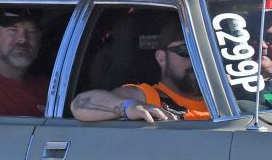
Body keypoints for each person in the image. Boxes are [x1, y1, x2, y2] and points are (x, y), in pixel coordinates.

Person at [71, 15, 211, 122]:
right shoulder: (150, 98)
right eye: (185, 51)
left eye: (206, 52)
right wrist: (128, 106)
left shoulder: (224, 96)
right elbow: (80, 104)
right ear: (162, 58)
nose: (196, 60)